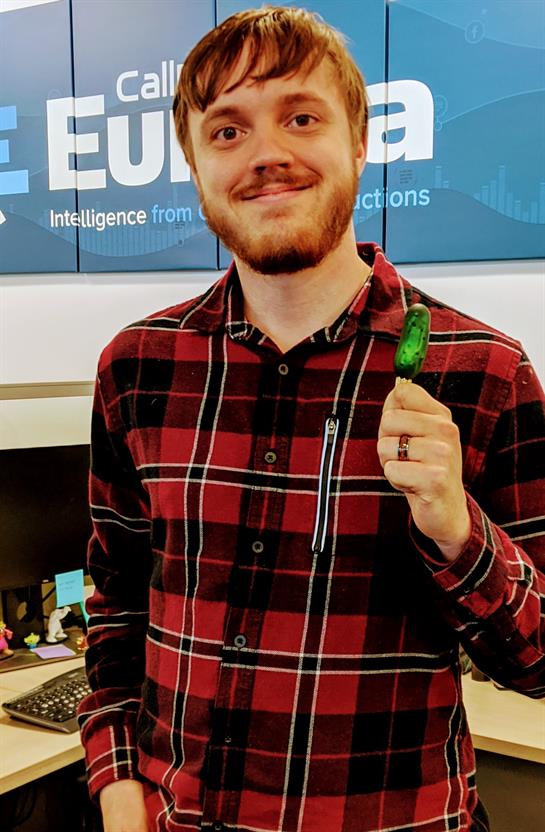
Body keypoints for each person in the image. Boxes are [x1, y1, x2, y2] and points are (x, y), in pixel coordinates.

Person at [77, 7, 545, 832]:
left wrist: (455, 529)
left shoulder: (483, 373)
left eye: (300, 117)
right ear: (193, 165)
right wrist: (118, 785)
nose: (266, 155)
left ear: (359, 142)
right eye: (226, 131)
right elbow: (116, 607)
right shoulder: (136, 366)